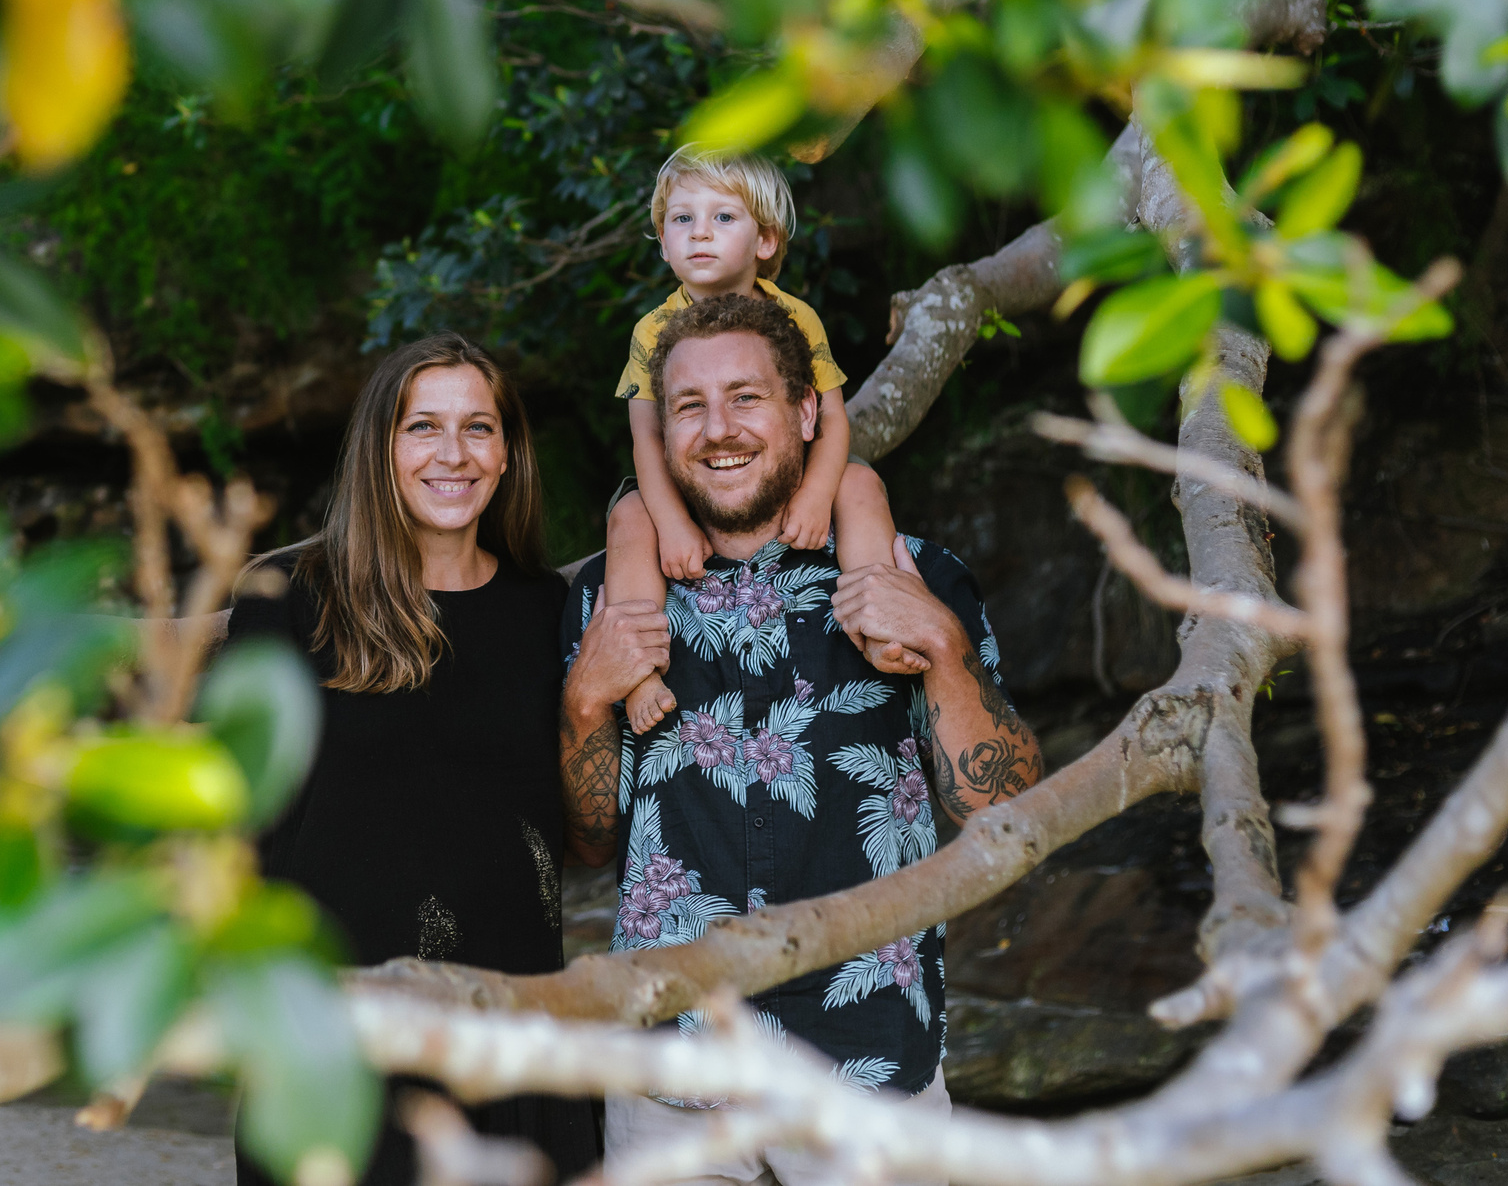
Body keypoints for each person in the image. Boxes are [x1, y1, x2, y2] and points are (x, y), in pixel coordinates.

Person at [560, 291, 1043, 1186]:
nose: (718, 428)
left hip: (868, 1070)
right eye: (689, 406)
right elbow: (590, 843)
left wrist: (941, 648)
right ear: (660, 435)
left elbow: (1003, 804)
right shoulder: (609, 598)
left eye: (746, 396)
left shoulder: (910, 571)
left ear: (806, 410)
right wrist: (587, 704)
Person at [227, 332, 601, 1186]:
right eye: (422, 426)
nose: (453, 453)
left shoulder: (551, 610)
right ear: (379, 448)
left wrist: (590, 698)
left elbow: (588, 836)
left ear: (507, 453)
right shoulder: (286, 600)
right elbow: (237, 830)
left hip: (517, 1032)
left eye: (478, 427)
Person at [606, 145, 901, 735]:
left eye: (723, 217)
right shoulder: (652, 330)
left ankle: (880, 620)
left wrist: (817, 496)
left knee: (863, 482)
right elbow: (646, 438)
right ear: (662, 243)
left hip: (781, 474)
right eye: (682, 220)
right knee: (629, 515)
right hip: (693, 482)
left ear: (765, 241)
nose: (700, 234)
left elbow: (834, 420)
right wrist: (674, 523)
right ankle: (636, 668)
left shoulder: (797, 317)